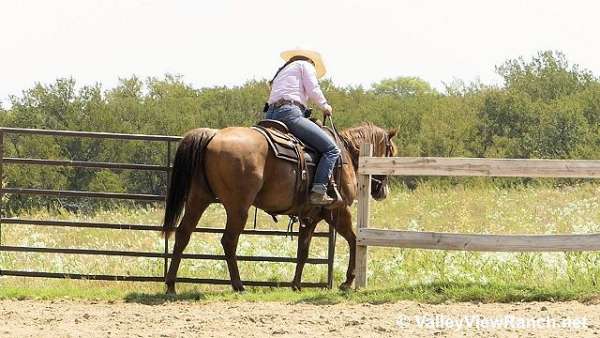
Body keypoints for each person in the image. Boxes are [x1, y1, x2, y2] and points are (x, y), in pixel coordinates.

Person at [265, 47, 340, 205]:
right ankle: (318, 191)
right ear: (311, 61)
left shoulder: (283, 71)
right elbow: (313, 88)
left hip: (269, 115)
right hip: (289, 113)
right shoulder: (305, 65)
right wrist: (325, 106)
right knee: (332, 150)